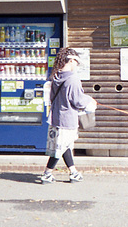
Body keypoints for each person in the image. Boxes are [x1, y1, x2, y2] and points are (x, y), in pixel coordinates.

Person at [41, 47, 96, 184]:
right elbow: (78, 101)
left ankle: (73, 172)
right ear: (71, 61)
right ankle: (47, 173)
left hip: (56, 116)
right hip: (68, 118)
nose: (77, 66)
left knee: (65, 145)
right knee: (61, 147)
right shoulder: (73, 79)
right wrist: (90, 101)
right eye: (76, 62)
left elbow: (53, 97)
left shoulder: (56, 77)